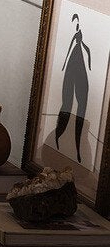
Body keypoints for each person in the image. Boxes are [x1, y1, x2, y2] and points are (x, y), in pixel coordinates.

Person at [53, 12, 93, 160]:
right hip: (73, 65)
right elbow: (72, 48)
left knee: (80, 105)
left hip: (78, 67)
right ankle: (59, 136)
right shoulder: (76, 42)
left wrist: (88, 65)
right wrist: (64, 65)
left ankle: (77, 146)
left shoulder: (81, 46)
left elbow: (86, 51)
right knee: (67, 102)